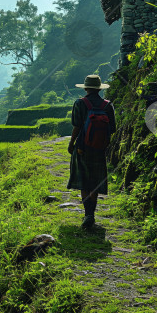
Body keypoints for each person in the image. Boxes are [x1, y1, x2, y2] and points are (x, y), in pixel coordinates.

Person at [67, 74, 116, 229]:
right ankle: (91, 215)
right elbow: (112, 128)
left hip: (82, 148)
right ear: (99, 89)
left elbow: (76, 126)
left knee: (84, 181)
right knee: (95, 181)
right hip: (99, 149)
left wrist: (71, 143)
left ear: (86, 88)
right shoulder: (107, 105)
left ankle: (87, 214)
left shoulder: (80, 103)